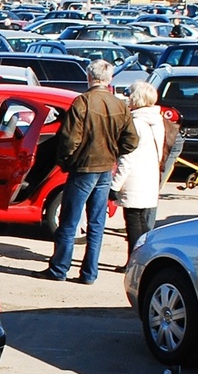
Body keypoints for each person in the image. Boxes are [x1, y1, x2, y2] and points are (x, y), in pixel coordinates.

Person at [43, 59, 138, 284]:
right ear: (109, 79)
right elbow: (131, 141)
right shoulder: (119, 105)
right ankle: (89, 273)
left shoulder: (83, 103)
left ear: (89, 78)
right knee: (96, 224)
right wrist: (113, 151)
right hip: (105, 168)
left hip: (84, 168)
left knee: (69, 221)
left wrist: (66, 161)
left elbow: (69, 139)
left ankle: (59, 269)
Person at [113, 82, 168, 256]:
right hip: (149, 176)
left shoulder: (136, 123)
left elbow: (127, 157)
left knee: (133, 221)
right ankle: (144, 255)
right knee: (141, 220)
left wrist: (115, 184)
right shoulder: (156, 121)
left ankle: (135, 259)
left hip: (134, 178)